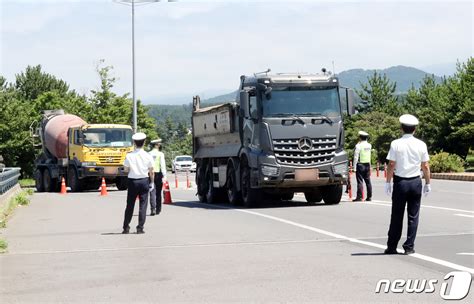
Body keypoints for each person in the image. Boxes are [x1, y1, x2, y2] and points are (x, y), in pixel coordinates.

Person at [384, 114, 431, 255]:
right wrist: (428, 183)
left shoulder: (396, 143)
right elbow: (426, 166)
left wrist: (388, 181)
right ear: (415, 129)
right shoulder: (421, 144)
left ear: (401, 128)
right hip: (416, 182)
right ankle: (409, 246)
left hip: (401, 182)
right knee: (413, 215)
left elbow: (391, 164)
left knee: (397, 215)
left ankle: (392, 246)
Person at [122, 132, 154, 234]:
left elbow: (126, 170)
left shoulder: (129, 156)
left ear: (134, 143)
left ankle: (126, 227)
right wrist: (152, 182)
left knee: (130, 205)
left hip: (132, 181)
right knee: (143, 205)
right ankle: (140, 228)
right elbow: (151, 171)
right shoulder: (148, 155)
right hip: (144, 180)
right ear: (144, 142)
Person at [149, 138, 167, 216]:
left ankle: (152, 208)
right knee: (158, 192)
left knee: (152, 191)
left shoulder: (148, 154)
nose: (160, 145)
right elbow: (162, 165)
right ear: (156, 145)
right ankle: (158, 209)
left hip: (150, 174)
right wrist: (164, 176)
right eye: (159, 144)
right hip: (158, 174)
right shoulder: (160, 154)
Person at [353, 131, 372, 202]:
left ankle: (359, 197)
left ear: (360, 138)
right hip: (367, 164)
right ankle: (369, 197)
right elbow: (369, 156)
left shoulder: (358, 146)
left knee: (360, 182)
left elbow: (355, 157)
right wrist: (370, 166)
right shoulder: (369, 145)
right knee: (368, 181)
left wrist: (354, 168)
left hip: (360, 165)